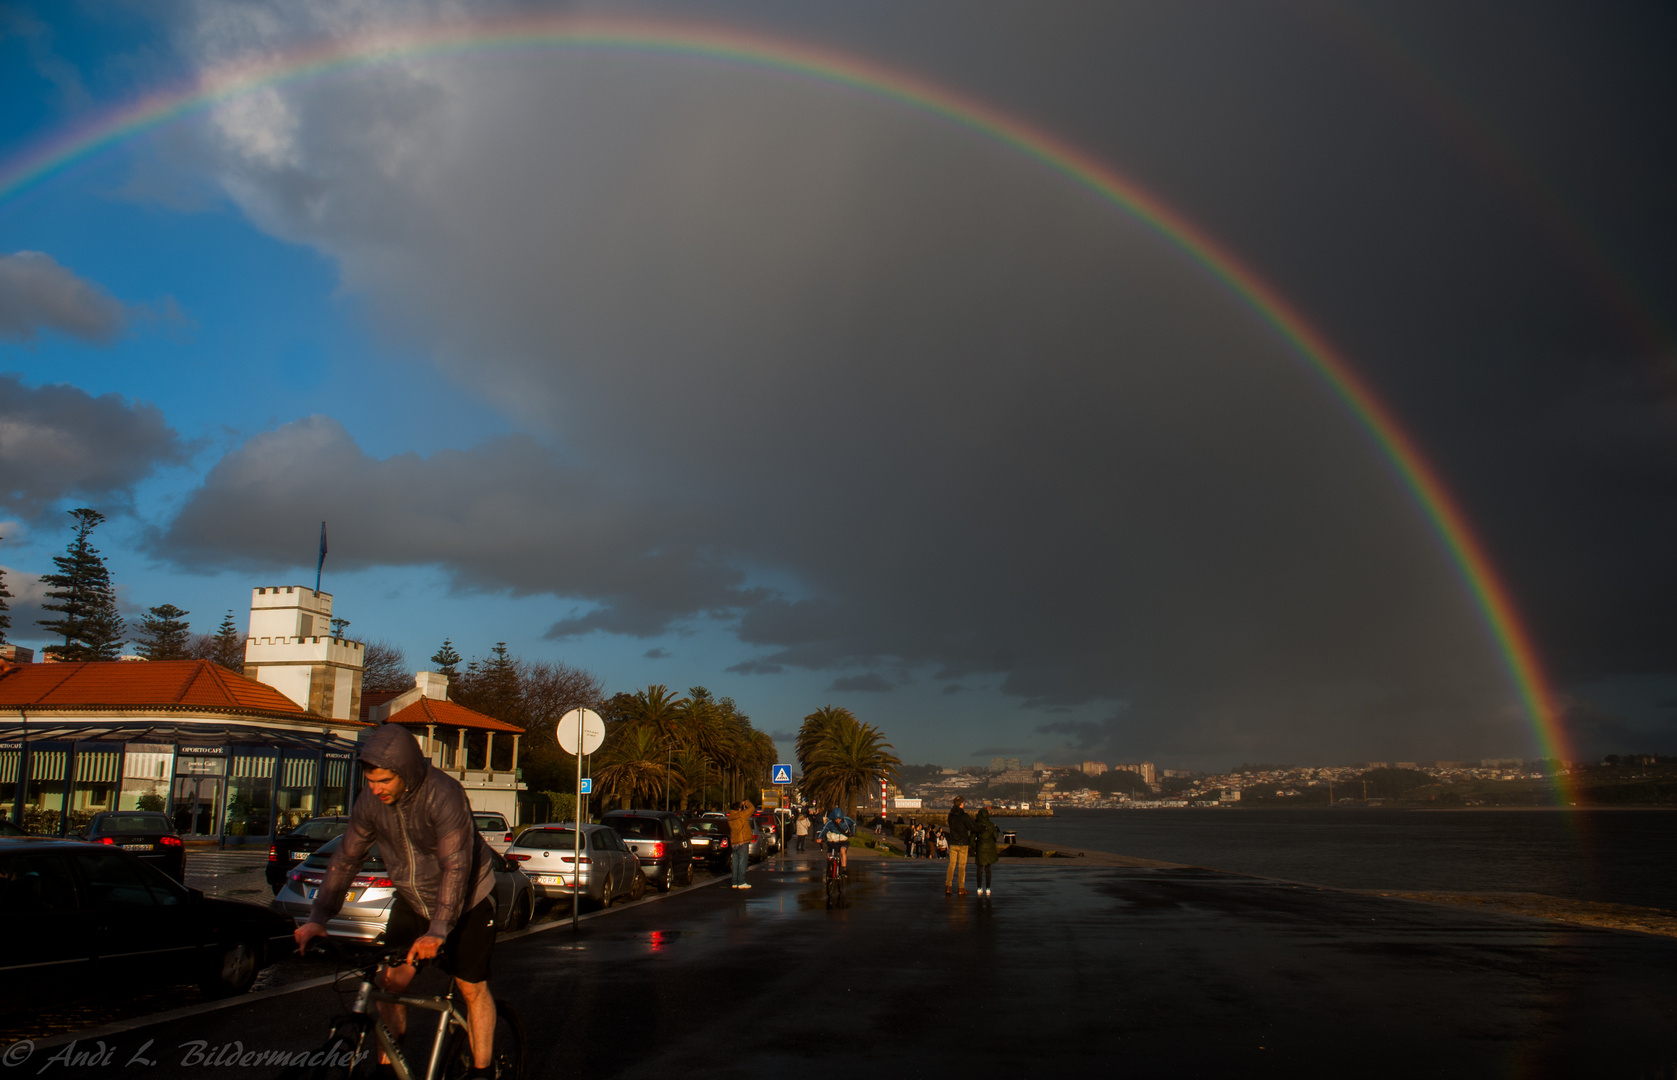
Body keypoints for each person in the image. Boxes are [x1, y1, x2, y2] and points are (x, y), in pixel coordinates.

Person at [294, 724, 499, 1079]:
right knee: (390, 982)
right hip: (413, 899)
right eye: (371, 781)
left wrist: (438, 931)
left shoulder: (444, 794)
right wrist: (319, 917)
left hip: (468, 898)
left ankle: (483, 1070)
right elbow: (345, 859)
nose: (376, 789)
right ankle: (389, 1066)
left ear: (405, 773)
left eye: (384, 780)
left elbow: (456, 866)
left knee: (470, 987)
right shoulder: (371, 801)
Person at [945, 796, 975, 896]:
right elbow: (972, 827)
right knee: (961, 866)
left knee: (951, 865)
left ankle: (948, 886)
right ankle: (960, 888)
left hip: (953, 842)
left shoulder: (950, 816)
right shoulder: (964, 816)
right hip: (962, 843)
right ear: (961, 804)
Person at [725, 799, 756, 888]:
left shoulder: (730, 818)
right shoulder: (741, 815)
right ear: (739, 809)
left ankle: (734, 882)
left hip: (734, 842)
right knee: (742, 861)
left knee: (735, 862)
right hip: (742, 841)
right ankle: (741, 882)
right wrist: (745, 802)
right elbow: (752, 808)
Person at [972, 804, 1001, 897]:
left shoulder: (976, 825)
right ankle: (988, 889)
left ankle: (979, 888)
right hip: (989, 849)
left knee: (979, 869)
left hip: (980, 848)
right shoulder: (991, 825)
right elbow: (996, 836)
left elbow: (972, 838)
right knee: (988, 870)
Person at [817, 806, 856, 872]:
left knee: (842, 851)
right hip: (832, 841)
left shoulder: (846, 820)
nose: (838, 821)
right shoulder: (829, 823)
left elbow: (853, 824)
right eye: (836, 820)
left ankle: (843, 868)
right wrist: (820, 838)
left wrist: (852, 833)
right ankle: (830, 870)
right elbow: (824, 830)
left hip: (843, 841)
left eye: (839, 819)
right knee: (829, 855)